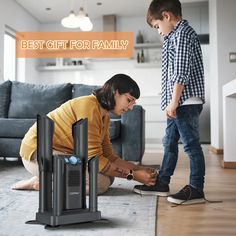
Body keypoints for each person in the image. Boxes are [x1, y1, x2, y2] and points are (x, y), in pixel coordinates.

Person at [12, 73, 157, 195]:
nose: (131, 107)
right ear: (116, 92)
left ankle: (49, 179)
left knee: (107, 177)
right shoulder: (88, 106)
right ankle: (40, 184)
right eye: (129, 100)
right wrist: (134, 176)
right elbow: (96, 160)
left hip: (60, 154)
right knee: (100, 183)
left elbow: (108, 156)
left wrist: (138, 168)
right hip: (38, 153)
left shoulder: (104, 116)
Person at [133, 0, 206, 205]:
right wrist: (168, 102)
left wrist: (173, 101)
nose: (158, 31)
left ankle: (196, 188)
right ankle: (162, 182)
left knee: (191, 146)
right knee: (169, 143)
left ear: (166, 16)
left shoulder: (183, 34)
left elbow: (180, 72)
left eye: (157, 26)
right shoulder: (172, 36)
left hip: (184, 101)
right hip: (175, 102)